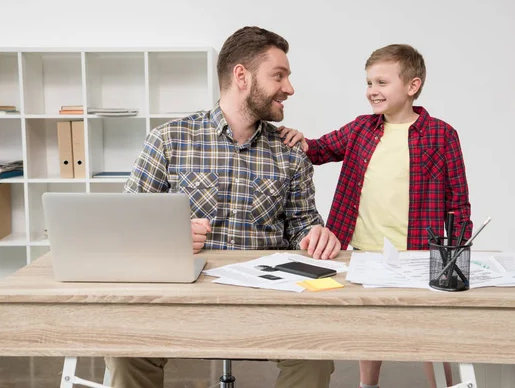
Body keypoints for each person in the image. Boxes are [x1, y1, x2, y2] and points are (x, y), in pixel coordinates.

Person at [105, 26, 340, 388]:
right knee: (125, 351)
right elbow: (124, 226)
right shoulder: (169, 140)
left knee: (314, 355)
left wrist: (316, 235)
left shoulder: (291, 152)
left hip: (267, 302)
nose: (289, 89)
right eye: (279, 76)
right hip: (182, 300)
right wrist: (168, 238)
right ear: (241, 76)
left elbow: (303, 226)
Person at [278, 44, 473, 388]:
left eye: (382, 82)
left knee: (426, 329)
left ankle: (441, 384)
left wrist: (454, 253)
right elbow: (321, 149)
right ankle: (368, 384)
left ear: (412, 86)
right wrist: (301, 141)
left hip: (418, 252)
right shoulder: (360, 129)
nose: (372, 91)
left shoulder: (442, 135)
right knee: (371, 326)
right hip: (362, 250)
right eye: (369, 83)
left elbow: (458, 202)